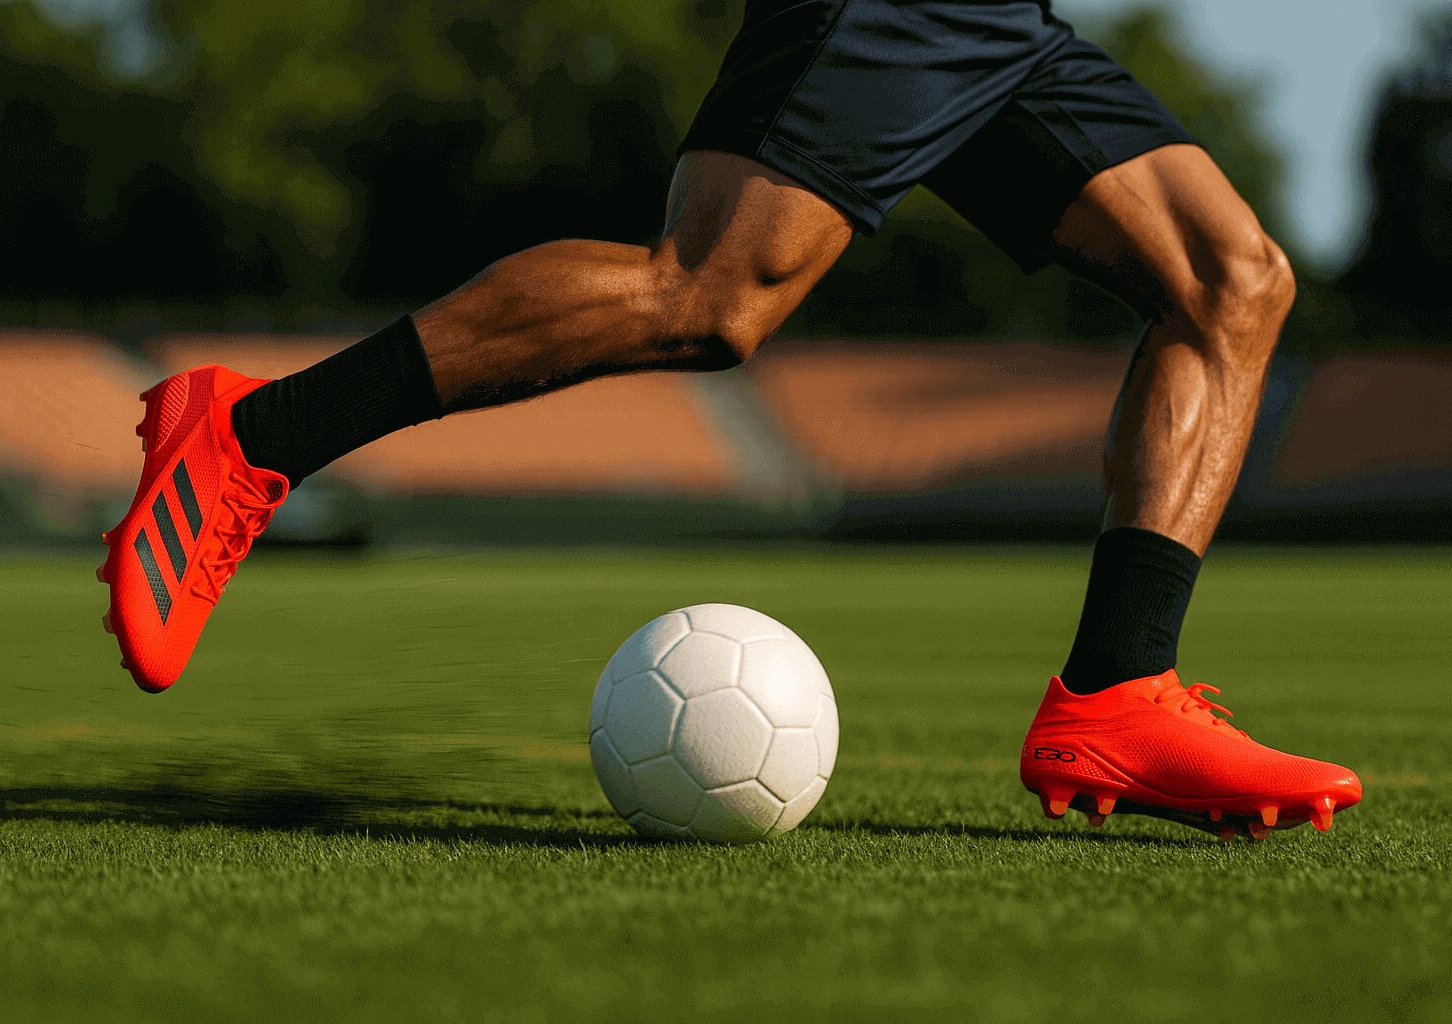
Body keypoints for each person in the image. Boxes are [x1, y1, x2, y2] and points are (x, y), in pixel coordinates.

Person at [97, 0, 1359, 840]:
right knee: (705, 290)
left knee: (1230, 281)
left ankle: (1118, 688)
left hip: (1002, 20)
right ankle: (255, 436)